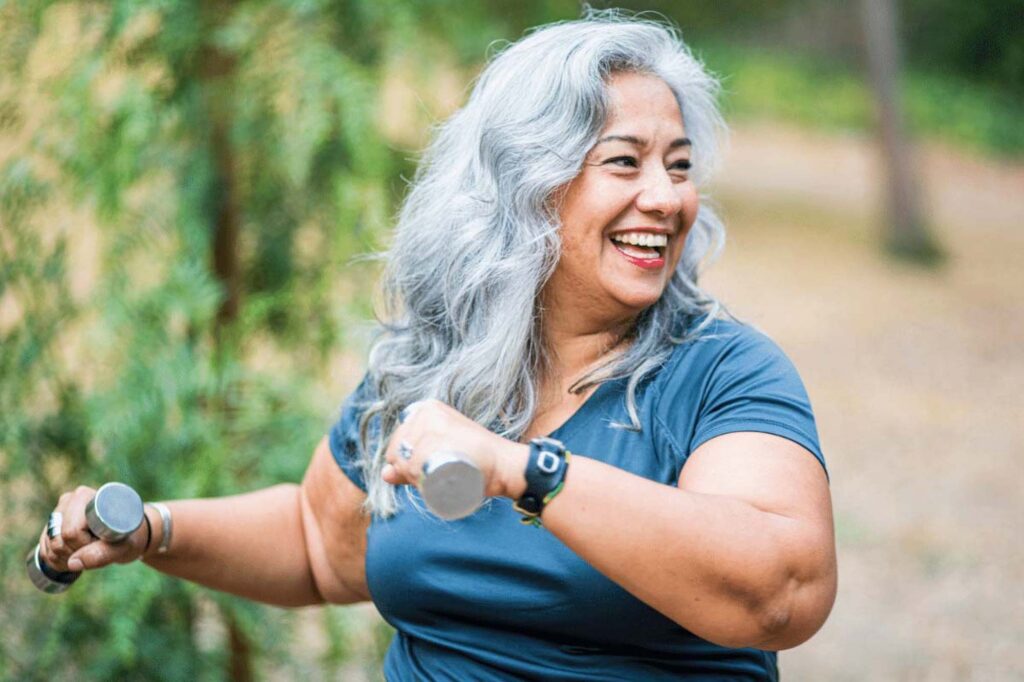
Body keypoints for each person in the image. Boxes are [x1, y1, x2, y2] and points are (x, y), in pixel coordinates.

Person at [38, 10, 836, 680]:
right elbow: (321, 545)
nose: (665, 197)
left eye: (680, 165)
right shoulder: (434, 361)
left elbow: (780, 591)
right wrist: (150, 530)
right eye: (624, 163)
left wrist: (526, 473)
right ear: (525, 186)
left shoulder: (722, 371)